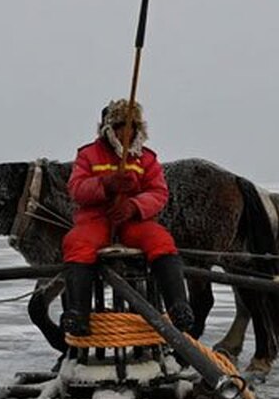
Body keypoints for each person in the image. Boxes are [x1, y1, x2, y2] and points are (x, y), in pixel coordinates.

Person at [60, 99, 193, 337]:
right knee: (77, 243)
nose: (126, 131)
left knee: (161, 241)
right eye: (121, 125)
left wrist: (134, 205)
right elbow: (77, 189)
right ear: (110, 127)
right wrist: (106, 184)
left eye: (132, 125)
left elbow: (159, 192)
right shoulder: (88, 155)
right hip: (97, 219)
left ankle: (178, 306)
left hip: (134, 221)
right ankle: (78, 313)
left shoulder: (147, 159)